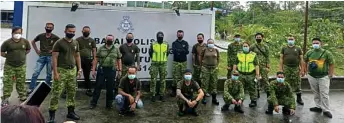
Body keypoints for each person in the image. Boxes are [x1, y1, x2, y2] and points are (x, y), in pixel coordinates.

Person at [47, 24, 82, 122]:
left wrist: (79, 69)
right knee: (56, 93)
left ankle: (71, 112)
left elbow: (77, 56)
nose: (72, 33)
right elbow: (54, 57)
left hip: (72, 70)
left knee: (72, 92)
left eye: (73, 32)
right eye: (70, 31)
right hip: (61, 70)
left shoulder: (75, 42)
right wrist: (55, 72)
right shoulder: (59, 43)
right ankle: (52, 115)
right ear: (65, 31)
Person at [304, 38, 334, 118]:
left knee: (324, 93)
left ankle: (326, 109)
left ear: (321, 44)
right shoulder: (309, 52)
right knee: (316, 92)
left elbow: (331, 63)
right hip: (312, 76)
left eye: (317, 43)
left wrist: (330, 74)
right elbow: (305, 61)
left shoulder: (327, 53)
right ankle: (318, 106)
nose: (315, 44)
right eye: (314, 43)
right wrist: (305, 71)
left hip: (323, 76)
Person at [89, 34, 122, 109]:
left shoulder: (116, 49)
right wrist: (93, 70)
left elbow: (119, 59)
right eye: (108, 39)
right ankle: (93, 103)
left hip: (112, 70)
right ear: (105, 40)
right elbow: (96, 59)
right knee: (98, 87)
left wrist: (120, 70)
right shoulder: (101, 48)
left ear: (113, 40)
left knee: (110, 88)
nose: (109, 41)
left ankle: (109, 104)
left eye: (111, 40)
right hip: (102, 70)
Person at [1, 26, 31, 106]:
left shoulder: (25, 42)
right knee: (8, 83)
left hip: (21, 66)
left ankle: (22, 97)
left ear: (22, 33)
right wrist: (10, 56)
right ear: (12, 33)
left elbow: (28, 50)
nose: (18, 34)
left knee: (21, 82)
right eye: (16, 33)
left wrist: (21, 55)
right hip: (9, 66)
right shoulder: (7, 42)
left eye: (19, 33)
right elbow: (2, 52)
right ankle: (5, 99)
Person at [29, 22, 60, 94]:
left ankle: (44, 88)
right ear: (45, 27)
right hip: (42, 57)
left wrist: (53, 50)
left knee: (49, 74)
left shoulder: (55, 37)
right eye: (47, 27)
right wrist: (36, 50)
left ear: (53, 29)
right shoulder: (41, 36)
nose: (49, 28)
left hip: (50, 57)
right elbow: (33, 42)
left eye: (50, 27)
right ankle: (31, 88)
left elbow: (60, 45)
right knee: (36, 73)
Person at [278, 35, 304, 105]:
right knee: (286, 82)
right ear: (287, 40)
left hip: (296, 68)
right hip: (286, 68)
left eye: (292, 39)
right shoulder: (284, 48)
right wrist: (280, 69)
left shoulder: (298, 48)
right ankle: (287, 97)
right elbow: (281, 59)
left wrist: (302, 70)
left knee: (297, 82)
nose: (290, 40)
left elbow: (301, 59)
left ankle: (299, 98)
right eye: (289, 39)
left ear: (294, 40)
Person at [233, 42, 260, 107]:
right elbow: (235, 63)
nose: (245, 47)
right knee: (240, 88)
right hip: (241, 74)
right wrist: (234, 71)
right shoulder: (239, 54)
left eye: (246, 46)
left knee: (252, 88)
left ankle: (253, 101)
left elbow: (256, 65)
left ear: (249, 47)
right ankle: (240, 100)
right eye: (244, 46)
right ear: (242, 47)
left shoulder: (253, 54)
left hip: (250, 74)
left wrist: (257, 74)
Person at [76, 26, 97, 96]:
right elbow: (74, 50)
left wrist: (94, 59)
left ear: (90, 32)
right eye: (85, 31)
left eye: (88, 31)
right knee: (74, 74)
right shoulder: (78, 40)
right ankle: (70, 89)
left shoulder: (92, 40)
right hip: (79, 59)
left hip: (88, 60)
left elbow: (94, 50)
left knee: (87, 75)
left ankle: (89, 89)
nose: (86, 33)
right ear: (82, 31)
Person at [148, 31, 169, 102]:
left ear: (163, 37)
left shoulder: (166, 44)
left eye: (161, 37)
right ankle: (153, 95)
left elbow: (167, 53)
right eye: (159, 37)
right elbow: (150, 53)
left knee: (163, 80)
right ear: (156, 37)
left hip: (163, 64)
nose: (160, 38)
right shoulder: (153, 44)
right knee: (153, 80)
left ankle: (161, 95)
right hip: (154, 64)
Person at [199, 39, 220, 105]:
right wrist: (201, 64)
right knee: (205, 83)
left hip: (214, 69)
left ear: (213, 43)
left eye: (211, 43)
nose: (210, 44)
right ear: (207, 44)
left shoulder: (216, 50)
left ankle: (214, 98)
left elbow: (218, 58)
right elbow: (200, 56)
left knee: (214, 83)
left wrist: (217, 65)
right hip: (205, 68)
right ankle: (204, 98)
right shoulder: (204, 50)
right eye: (209, 43)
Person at [250, 33, 270, 98]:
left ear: (262, 38)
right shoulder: (252, 46)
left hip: (263, 66)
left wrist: (268, 66)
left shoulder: (265, 46)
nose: (258, 38)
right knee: (255, 80)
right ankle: (256, 93)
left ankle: (269, 94)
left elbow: (267, 56)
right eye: (257, 37)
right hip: (254, 66)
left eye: (259, 37)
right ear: (255, 38)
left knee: (265, 80)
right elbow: (249, 54)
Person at [171, 30, 189, 97]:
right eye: (179, 34)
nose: (180, 36)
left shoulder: (185, 43)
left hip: (183, 62)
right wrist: (182, 50)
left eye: (181, 35)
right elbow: (174, 51)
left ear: (183, 35)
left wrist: (179, 50)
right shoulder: (174, 43)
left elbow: (187, 52)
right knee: (175, 77)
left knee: (183, 77)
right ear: (177, 35)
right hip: (176, 62)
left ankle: (182, 91)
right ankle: (174, 91)